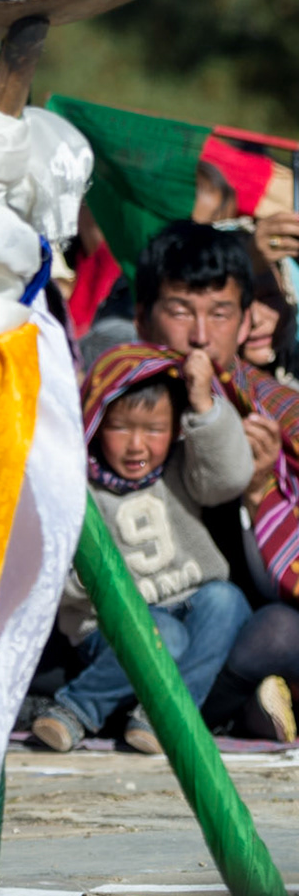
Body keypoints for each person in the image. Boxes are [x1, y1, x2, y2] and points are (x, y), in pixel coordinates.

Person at [29, 343, 252, 754]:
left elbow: (229, 477)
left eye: (153, 430)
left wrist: (202, 403)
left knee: (228, 601)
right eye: (121, 428)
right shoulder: (78, 485)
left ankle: (163, 717)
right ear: (96, 423)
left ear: (175, 430)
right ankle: (75, 709)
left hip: (188, 601)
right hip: (109, 625)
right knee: (164, 633)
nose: (137, 446)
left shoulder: (182, 467)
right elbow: (57, 568)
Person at [134, 222, 299, 739]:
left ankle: (206, 709)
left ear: (247, 319)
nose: (201, 335)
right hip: (138, 618)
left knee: (281, 632)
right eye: (181, 311)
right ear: (143, 317)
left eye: (220, 312)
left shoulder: (277, 409)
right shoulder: (113, 403)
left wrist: (260, 493)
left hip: (240, 625)